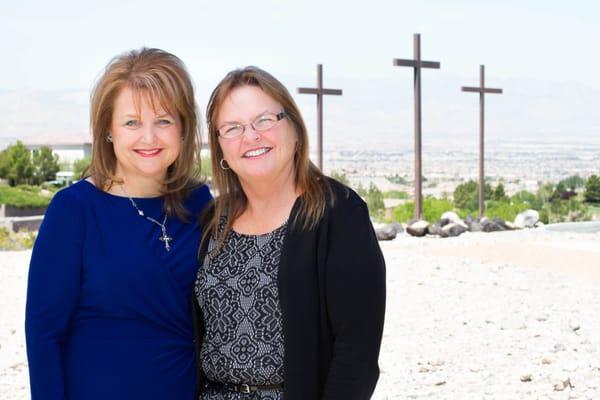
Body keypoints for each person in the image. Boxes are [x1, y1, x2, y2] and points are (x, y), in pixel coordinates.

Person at [25, 48, 212, 400]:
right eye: (132, 122)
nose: (149, 137)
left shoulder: (200, 203)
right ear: (108, 130)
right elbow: (44, 334)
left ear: (183, 128)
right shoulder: (74, 211)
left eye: (164, 120)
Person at [192, 66, 386, 400]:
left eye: (265, 120)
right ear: (220, 148)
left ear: (294, 129)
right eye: (232, 128)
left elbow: (357, 355)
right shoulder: (213, 220)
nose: (250, 136)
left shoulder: (338, 214)